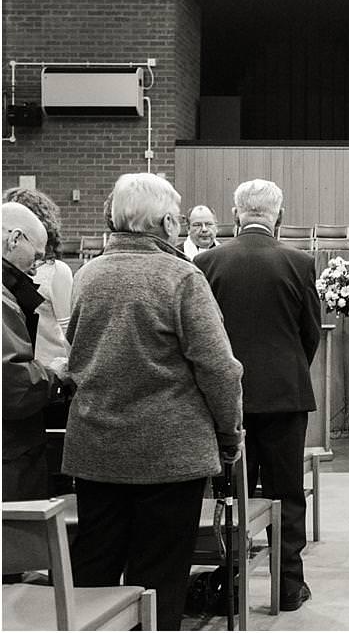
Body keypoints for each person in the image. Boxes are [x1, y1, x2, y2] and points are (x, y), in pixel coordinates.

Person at [62, 173, 244, 631]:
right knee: (159, 575)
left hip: (97, 446)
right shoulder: (182, 276)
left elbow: (74, 348)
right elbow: (219, 368)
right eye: (177, 218)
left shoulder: (87, 275)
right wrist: (229, 433)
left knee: (96, 568)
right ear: (166, 223)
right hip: (168, 452)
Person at [195, 178, 322, 612]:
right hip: (285, 396)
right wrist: (288, 369)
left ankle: (229, 584)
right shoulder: (300, 262)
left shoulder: (207, 262)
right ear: (279, 216)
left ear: (235, 215)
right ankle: (288, 585)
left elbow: (204, 337)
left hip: (228, 399)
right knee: (286, 492)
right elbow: (309, 333)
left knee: (232, 495)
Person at [2, 202, 69, 503]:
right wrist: (55, 374)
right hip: (9, 455)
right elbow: (14, 386)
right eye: (36, 256)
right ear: (15, 239)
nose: (35, 268)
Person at [4, 188, 72, 367]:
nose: (33, 271)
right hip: (33, 369)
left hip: (46, 367)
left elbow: (69, 331)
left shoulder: (56, 271)